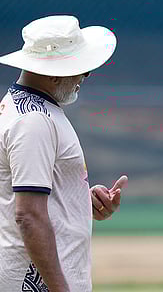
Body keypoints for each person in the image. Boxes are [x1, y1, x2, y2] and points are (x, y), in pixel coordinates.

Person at [0, 15, 127, 292]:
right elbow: (28, 216)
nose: (85, 77)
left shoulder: (29, 110)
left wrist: (80, 200)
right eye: (82, 69)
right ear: (54, 73)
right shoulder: (33, 121)